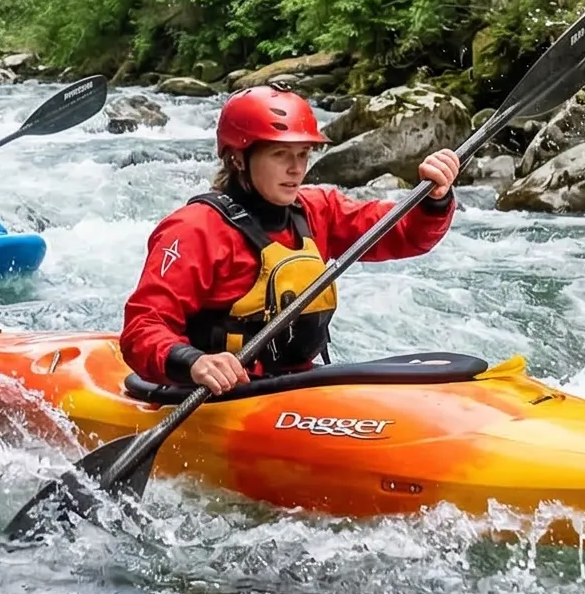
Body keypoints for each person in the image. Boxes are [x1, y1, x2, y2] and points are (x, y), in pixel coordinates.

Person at [122, 86, 463, 394]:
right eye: (280, 154)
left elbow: (403, 234)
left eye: (303, 154)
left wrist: (434, 199)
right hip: (221, 396)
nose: (296, 169)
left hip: (298, 386)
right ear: (238, 157)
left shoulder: (317, 209)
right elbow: (143, 327)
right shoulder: (195, 229)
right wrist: (194, 362)